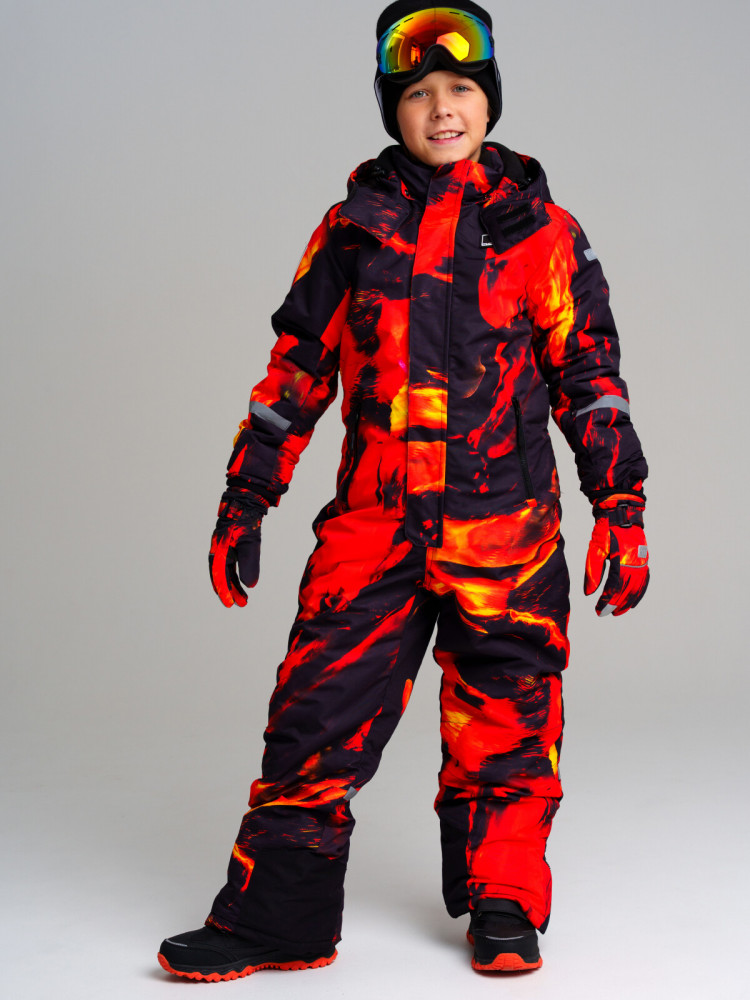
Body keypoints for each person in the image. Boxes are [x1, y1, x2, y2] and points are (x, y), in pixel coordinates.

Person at [158, 0, 649, 981]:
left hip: (505, 534)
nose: (442, 109)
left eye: (461, 88)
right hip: (374, 529)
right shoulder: (354, 230)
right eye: (418, 93)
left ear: (490, 101)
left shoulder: (544, 234)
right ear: (393, 110)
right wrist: (246, 498)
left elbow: (589, 377)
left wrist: (621, 508)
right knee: (314, 718)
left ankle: (503, 903)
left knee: (508, 719)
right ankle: (281, 919)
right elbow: (296, 371)